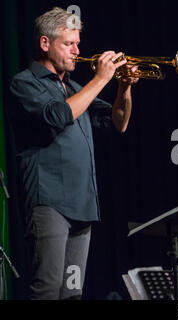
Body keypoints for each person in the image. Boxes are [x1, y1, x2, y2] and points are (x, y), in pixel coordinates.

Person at [8, 7, 138, 299]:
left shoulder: (77, 88)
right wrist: (102, 79)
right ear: (45, 43)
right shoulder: (25, 83)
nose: (77, 51)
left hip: (82, 206)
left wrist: (124, 87)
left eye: (78, 43)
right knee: (48, 289)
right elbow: (57, 116)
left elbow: (119, 123)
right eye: (69, 43)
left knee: (72, 293)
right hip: (50, 203)